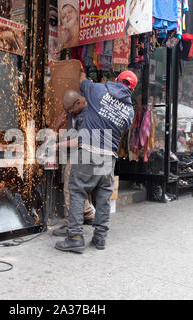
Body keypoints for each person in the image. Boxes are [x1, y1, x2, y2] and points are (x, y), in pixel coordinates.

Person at [55, 70, 137, 252]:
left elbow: (82, 82)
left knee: (77, 191)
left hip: (89, 150)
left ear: (116, 80)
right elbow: (123, 126)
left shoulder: (98, 90)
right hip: (109, 156)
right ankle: (99, 238)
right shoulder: (130, 111)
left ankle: (75, 236)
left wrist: (82, 72)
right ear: (132, 90)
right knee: (103, 197)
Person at [51, 90, 95, 237]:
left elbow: (80, 140)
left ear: (78, 102)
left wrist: (59, 145)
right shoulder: (73, 111)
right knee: (76, 187)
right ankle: (88, 214)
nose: (68, 112)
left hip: (82, 154)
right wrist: (58, 123)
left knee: (69, 187)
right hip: (72, 153)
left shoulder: (88, 115)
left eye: (69, 109)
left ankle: (70, 224)